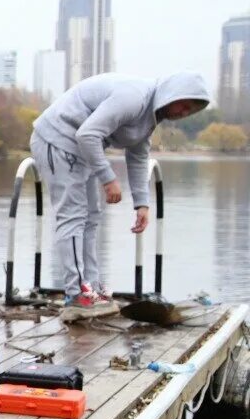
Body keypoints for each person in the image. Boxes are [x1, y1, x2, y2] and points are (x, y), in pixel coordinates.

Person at [30, 72, 210, 321]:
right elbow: (87, 133)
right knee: (72, 217)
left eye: (190, 110)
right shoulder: (134, 97)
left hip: (82, 151)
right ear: (172, 93)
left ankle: (90, 287)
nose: (184, 112)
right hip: (57, 140)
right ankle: (75, 295)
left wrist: (142, 204)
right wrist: (108, 178)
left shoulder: (149, 117)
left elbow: (138, 156)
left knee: (92, 217)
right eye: (184, 104)